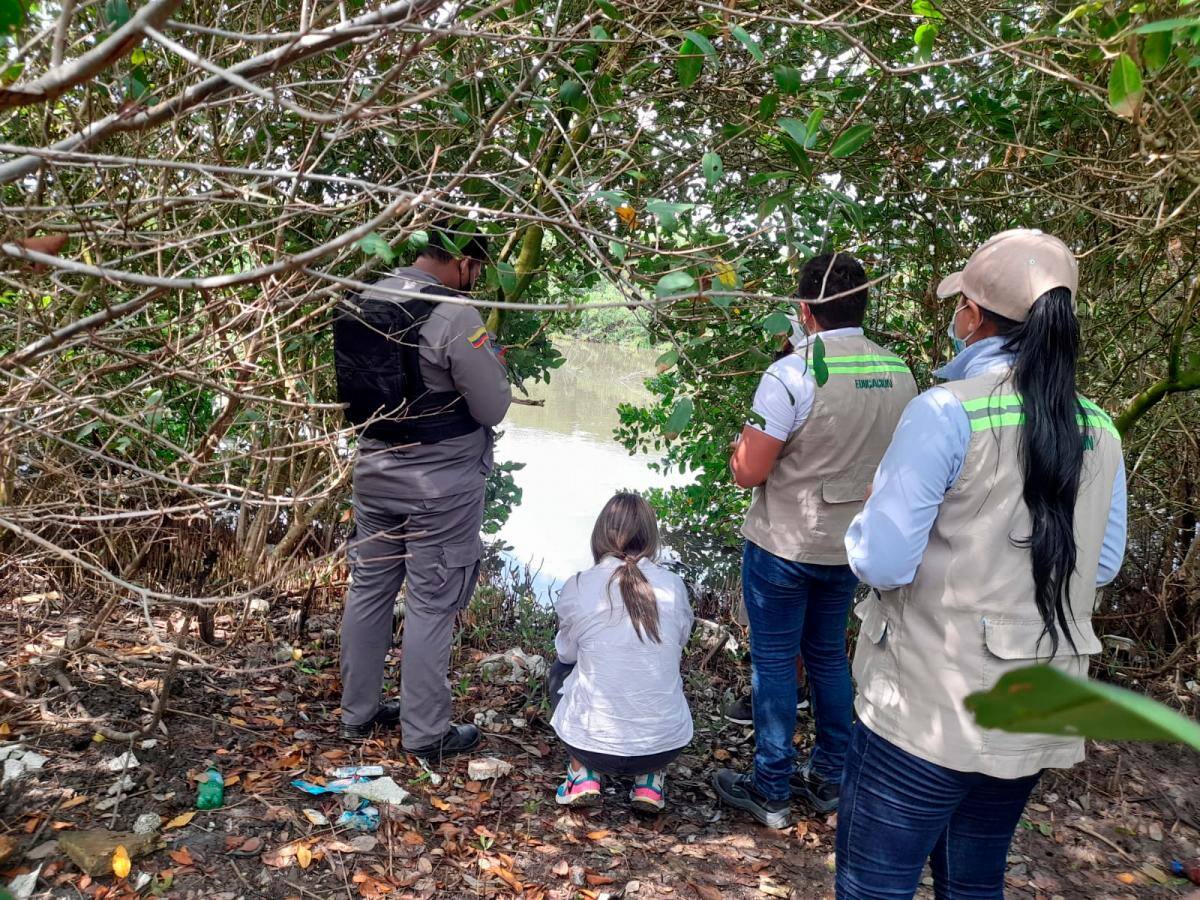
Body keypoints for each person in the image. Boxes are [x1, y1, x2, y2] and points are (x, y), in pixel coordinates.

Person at [838, 229, 1127, 898]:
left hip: (928, 708)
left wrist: (864, 519)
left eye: (958, 305)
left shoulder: (945, 412)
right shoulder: (1100, 429)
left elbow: (883, 563)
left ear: (971, 315)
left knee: (874, 884)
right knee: (973, 879)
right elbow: (1102, 564)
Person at [712, 252, 918, 829]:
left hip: (784, 545)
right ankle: (831, 777)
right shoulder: (898, 372)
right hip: (850, 544)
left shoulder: (793, 373)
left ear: (804, 311)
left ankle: (771, 785)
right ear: (864, 305)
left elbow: (749, 471)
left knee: (775, 661)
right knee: (828, 655)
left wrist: (739, 444)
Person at [334, 227, 512, 761]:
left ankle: (356, 714)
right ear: (459, 261)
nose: (476, 279)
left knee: (369, 589)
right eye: (476, 269)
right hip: (441, 486)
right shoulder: (454, 315)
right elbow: (492, 407)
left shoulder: (364, 297)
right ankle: (424, 733)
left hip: (375, 471)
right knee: (432, 602)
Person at [548, 492, 694, 814]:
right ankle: (649, 782)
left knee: (560, 669)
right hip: (666, 745)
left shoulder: (579, 584)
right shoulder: (674, 585)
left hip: (590, 746)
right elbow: (680, 642)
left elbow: (566, 654)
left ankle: (582, 774)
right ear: (651, 538)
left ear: (600, 534)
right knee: (658, 670)